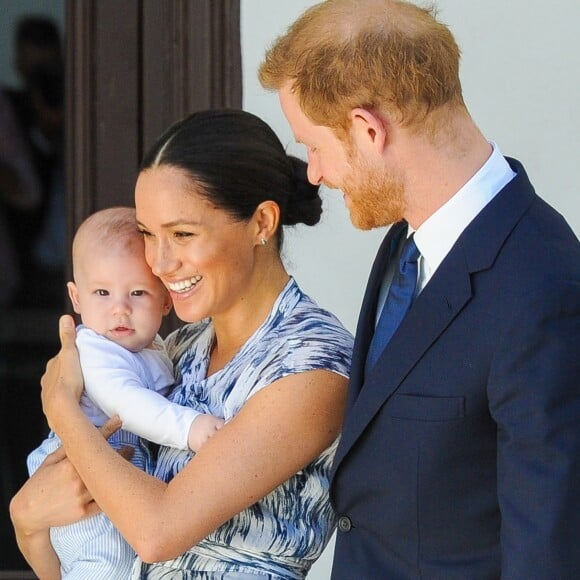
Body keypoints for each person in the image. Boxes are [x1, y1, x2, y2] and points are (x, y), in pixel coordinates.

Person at [258, 1, 580, 578]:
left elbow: (550, 549)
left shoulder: (543, 286)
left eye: (314, 146)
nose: (313, 173)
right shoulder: (407, 241)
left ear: (367, 130)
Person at [10, 109, 354, 579]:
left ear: (261, 223)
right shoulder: (178, 349)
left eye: (182, 234)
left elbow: (156, 533)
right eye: (149, 235)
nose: (160, 261)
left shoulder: (313, 363)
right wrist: (27, 521)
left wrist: (63, 408)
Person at [27, 206, 224, 579]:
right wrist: (191, 427)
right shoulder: (95, 351)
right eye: (101, 292)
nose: (119, 309)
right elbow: (128, 405)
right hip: (76, 478)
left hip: (111, 470)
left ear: (165, 300)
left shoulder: (157, 350)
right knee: (106, 563)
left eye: (137, 292)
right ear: (77, 298)